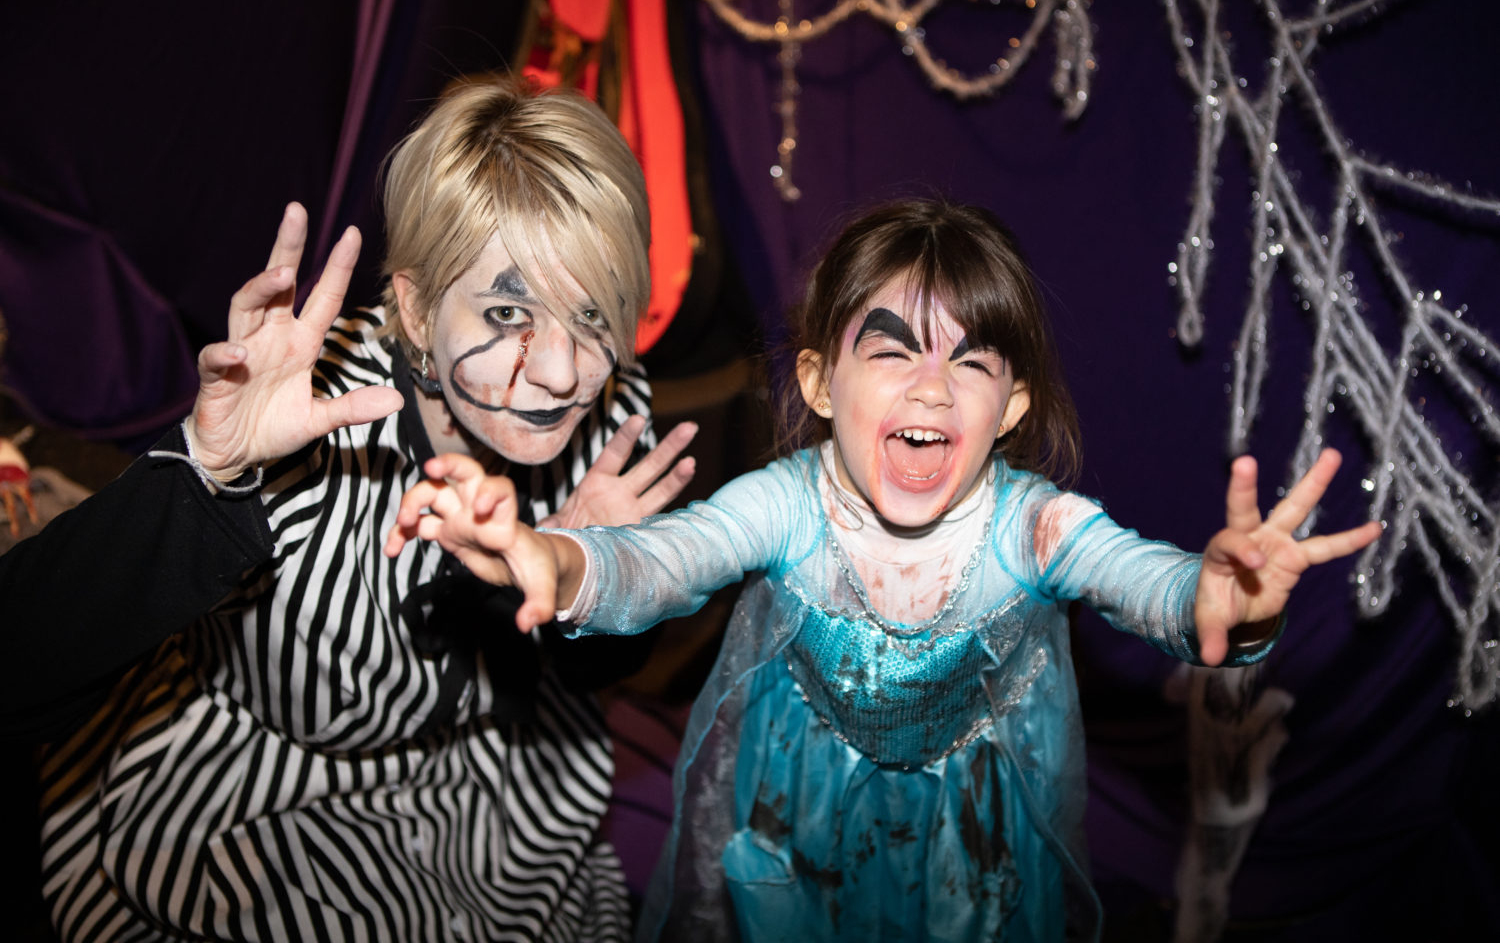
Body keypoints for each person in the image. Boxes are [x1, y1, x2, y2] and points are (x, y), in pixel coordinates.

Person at [387, 199, 1382, 942]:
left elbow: (1147, 582)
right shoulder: (789, 503)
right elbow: (664, 559)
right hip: (804, 812)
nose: (931, 388)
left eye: (972, 362)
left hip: (972, 832)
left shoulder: (1031, 526)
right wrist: (549, 556)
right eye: (893, 351)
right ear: (821, 382)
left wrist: (1221, 602)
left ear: (1012, 406)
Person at [38, 74, 697, 942]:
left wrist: (585, 584)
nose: (563, 371)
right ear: (416, 308)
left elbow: (592, 672)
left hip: (491, 805)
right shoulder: (305, 417)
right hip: (248, 806)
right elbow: (35, 645)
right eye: (508, 311)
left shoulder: (608, 418)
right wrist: (204, 473)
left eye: (593, 313)